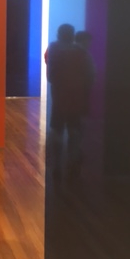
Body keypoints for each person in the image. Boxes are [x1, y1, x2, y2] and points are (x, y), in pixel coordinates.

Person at [46, 23, 93, 180]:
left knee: (57, 130)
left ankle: (56, 164)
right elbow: (90, 74)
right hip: (76, 98)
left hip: (59, 98)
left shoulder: (53, 49)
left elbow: (50, 76)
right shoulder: (81, 52)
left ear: (59, 34)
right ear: (72, 35)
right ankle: (73, 161)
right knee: (74, 131)